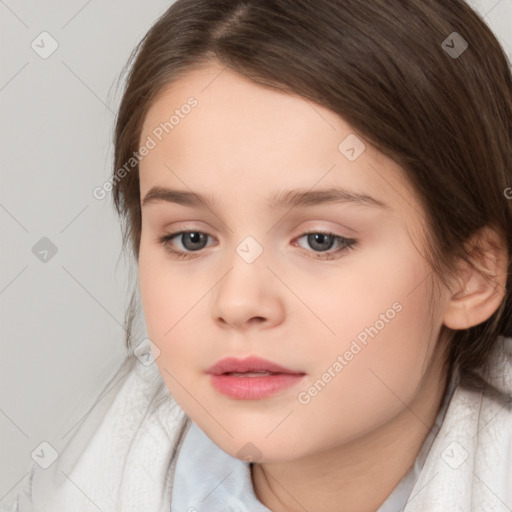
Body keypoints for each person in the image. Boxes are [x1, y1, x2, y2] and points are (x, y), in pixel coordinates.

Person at [3, 0, 512, 510]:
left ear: (470, 274)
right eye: (191, 238)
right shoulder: (76, 489)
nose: (239, 301)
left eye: (321, 240)